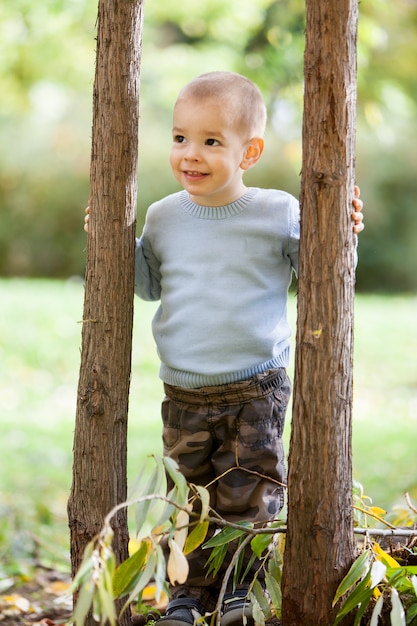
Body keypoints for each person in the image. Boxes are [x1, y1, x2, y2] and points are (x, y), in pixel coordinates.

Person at [85, 71, 364, 626]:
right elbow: (144, 285)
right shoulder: (164, 217)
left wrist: (343, 230)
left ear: (249, 151)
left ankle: (241, 590)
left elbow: (321, 274)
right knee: (189, 497)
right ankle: (189, 595)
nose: (191, 154)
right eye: (181, 138)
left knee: (250, 493)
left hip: (255, 384)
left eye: (212, 142)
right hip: (183, 385)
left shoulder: (276, 211)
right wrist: (110, 241)